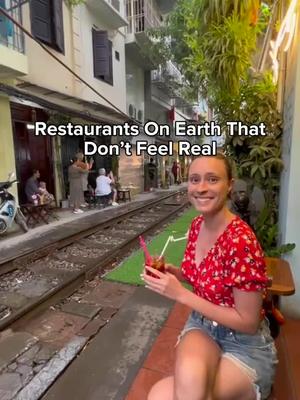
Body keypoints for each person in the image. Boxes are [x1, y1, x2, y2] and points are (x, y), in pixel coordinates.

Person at [142, 153, 277, 400]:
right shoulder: (196, 226)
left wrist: (180, 294)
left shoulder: (240, 241)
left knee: (165, 395)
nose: (201, 188)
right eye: (195, 179)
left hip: (243, 343)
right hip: (202, 326)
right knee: (159, 394)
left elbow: (247, 321)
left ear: (230, 185)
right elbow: (206, 278)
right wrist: (176, 274)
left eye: (212, 179)